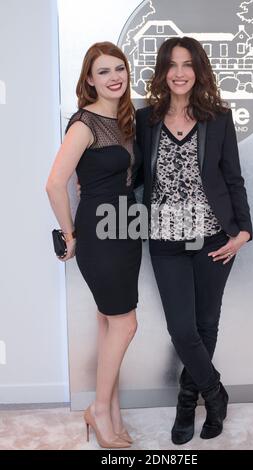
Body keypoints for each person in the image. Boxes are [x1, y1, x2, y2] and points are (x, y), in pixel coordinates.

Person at [136, 37, 253, 443]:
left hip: (214, 238)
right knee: (182, 328)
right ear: (162, 71)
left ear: (199, 70)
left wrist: (244, 231)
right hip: (165, 238)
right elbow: (134, 178)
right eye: (172, 64)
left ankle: (188, 402)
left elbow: (233, 177)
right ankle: (215, 393)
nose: (180, 72)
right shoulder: (145, 119)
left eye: (187, 64)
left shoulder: (218, 118)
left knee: (205, 325)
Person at [46, 42, 143, 449]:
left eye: (119, 69)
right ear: (89, 79)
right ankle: (99, 410)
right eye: (103, 71)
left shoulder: (126, 119)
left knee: (109, 323)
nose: (114, 77)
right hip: (100, 231)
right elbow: (54, 184)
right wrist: (69, 235)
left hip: (128, 226)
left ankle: (111, 412)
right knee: (125, 323)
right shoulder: (84, 123)